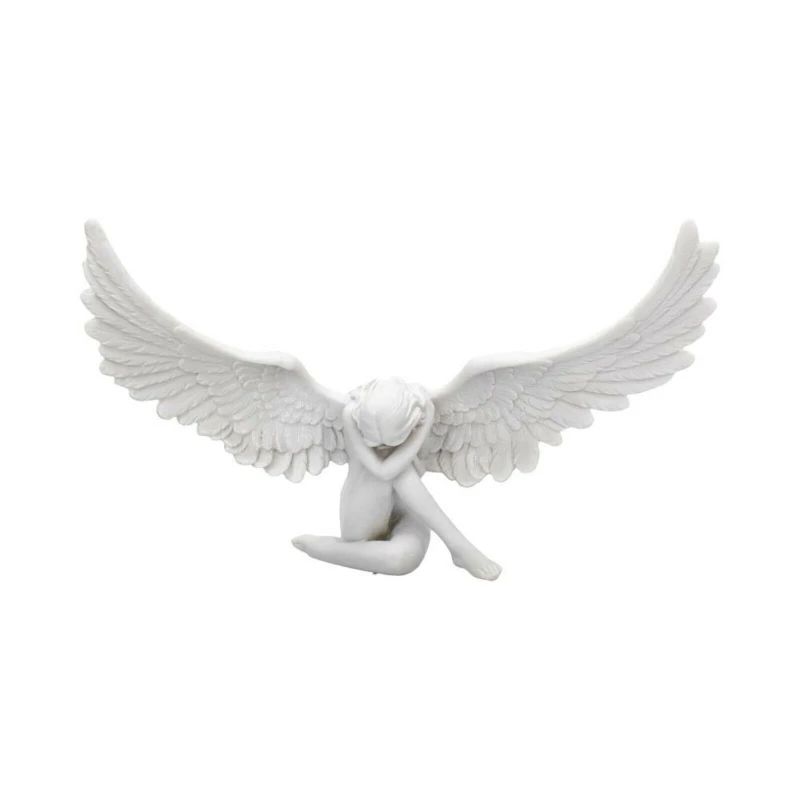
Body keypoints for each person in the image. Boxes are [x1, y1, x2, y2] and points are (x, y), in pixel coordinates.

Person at [292, 378, 502, 580]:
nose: (383, 447)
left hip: (405, 511)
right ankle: (459, 546)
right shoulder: (351, 415)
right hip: (362, 521)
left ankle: (336, 551)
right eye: (374, 442)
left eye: (394, 441)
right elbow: (383, 471)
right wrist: (424, 428)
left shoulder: (416, 413)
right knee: (398, 471)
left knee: (402, 559)